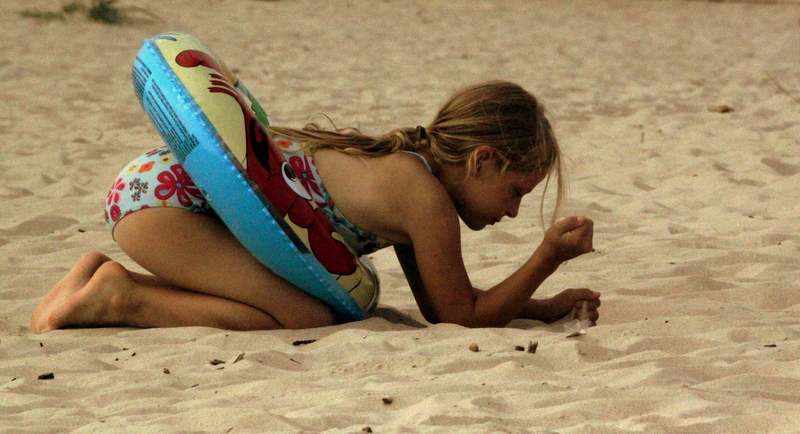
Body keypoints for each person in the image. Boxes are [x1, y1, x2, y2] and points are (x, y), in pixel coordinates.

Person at [31, 80, 601, 333]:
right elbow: (461, 319)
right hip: (168, 207)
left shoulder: (412, 174)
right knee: (304, 317)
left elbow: (442, 302)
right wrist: (546, 258)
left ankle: (100, 276)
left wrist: (541, 307)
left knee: (294, 308)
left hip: (158, 189)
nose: (514, 212)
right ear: (481, 160)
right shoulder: (422, 197)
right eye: (516, 191)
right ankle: (120, 297)